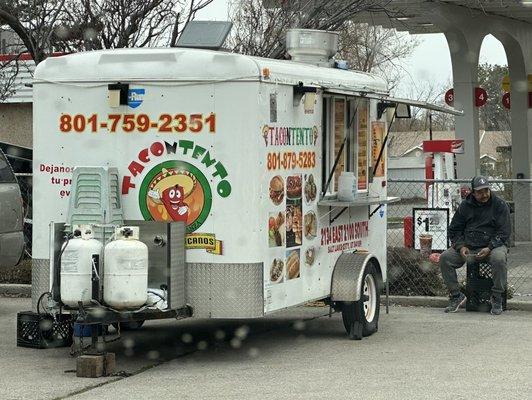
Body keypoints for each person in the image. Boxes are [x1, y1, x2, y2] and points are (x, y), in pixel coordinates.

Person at [439, 176, 510, 315]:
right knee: (445, 258)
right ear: (472, 192)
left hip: (493, 245)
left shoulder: (500, 205)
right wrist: (461, 246)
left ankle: (496, 297)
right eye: (480, 192)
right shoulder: (465, 206)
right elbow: (454, 229)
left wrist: (490, 247)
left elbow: (504, 231)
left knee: (499, 259)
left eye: (486, 191)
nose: (484, 194)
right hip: (469, 246)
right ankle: (456, 296)